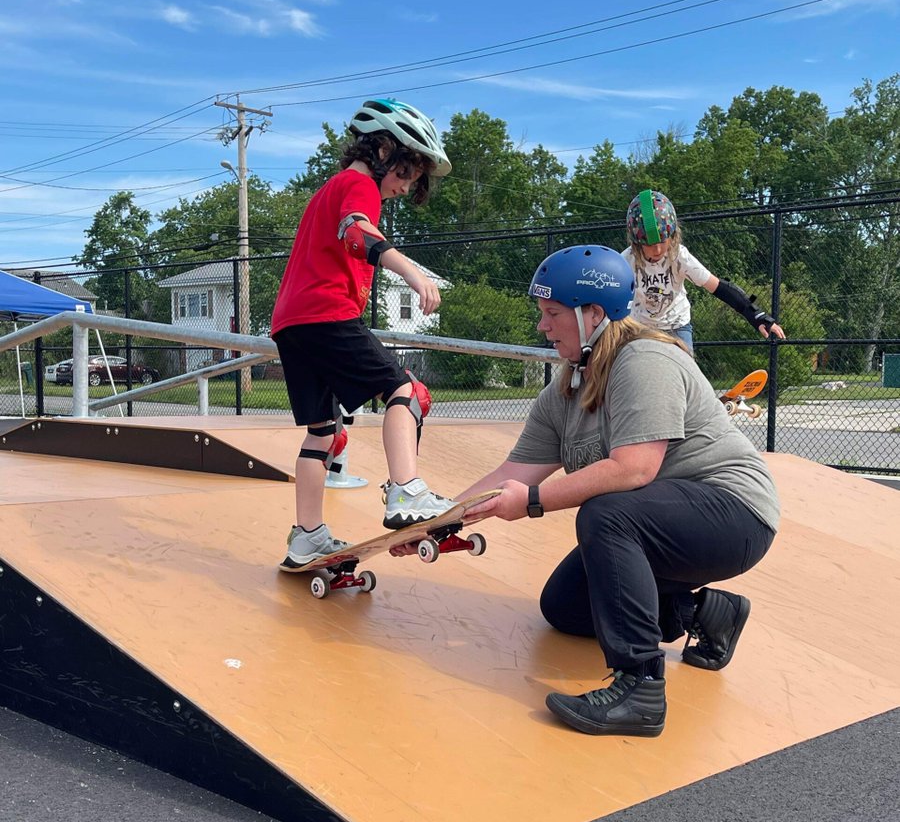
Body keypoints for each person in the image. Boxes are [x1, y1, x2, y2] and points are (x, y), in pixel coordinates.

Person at [447, 243, 780, 737]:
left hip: (732, 514)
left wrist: (533, 503)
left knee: (606, 513)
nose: (542, 326)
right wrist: (440, 518)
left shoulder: (644, 359)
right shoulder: (565, 390)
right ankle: (704, 612)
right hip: (665, 525)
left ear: (594, 313)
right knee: (565, 607)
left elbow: (633, 470)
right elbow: (513, 472)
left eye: (552, 313)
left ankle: (641, 686)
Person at [272, 97, 456, 570]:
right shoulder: (358, 184)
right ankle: (405, 491)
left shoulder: (328, 188)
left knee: (322, 434)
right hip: (326, 313)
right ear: (382, 151)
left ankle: (307, 537)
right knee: (407, 390)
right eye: (403, 175)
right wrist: (414, 274)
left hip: (291, 323)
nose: (400, 188)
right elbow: (357, 232)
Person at [623, 189, 786, 353]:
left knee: (686, 372)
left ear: (672, 235)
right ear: (637, 243)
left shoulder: (679, 256)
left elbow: (719, 287)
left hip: (676, 325)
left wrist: (755, 315)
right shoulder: (625, 261)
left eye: (663, 240)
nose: (658, 249)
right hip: (640, 328)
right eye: (650, 244)